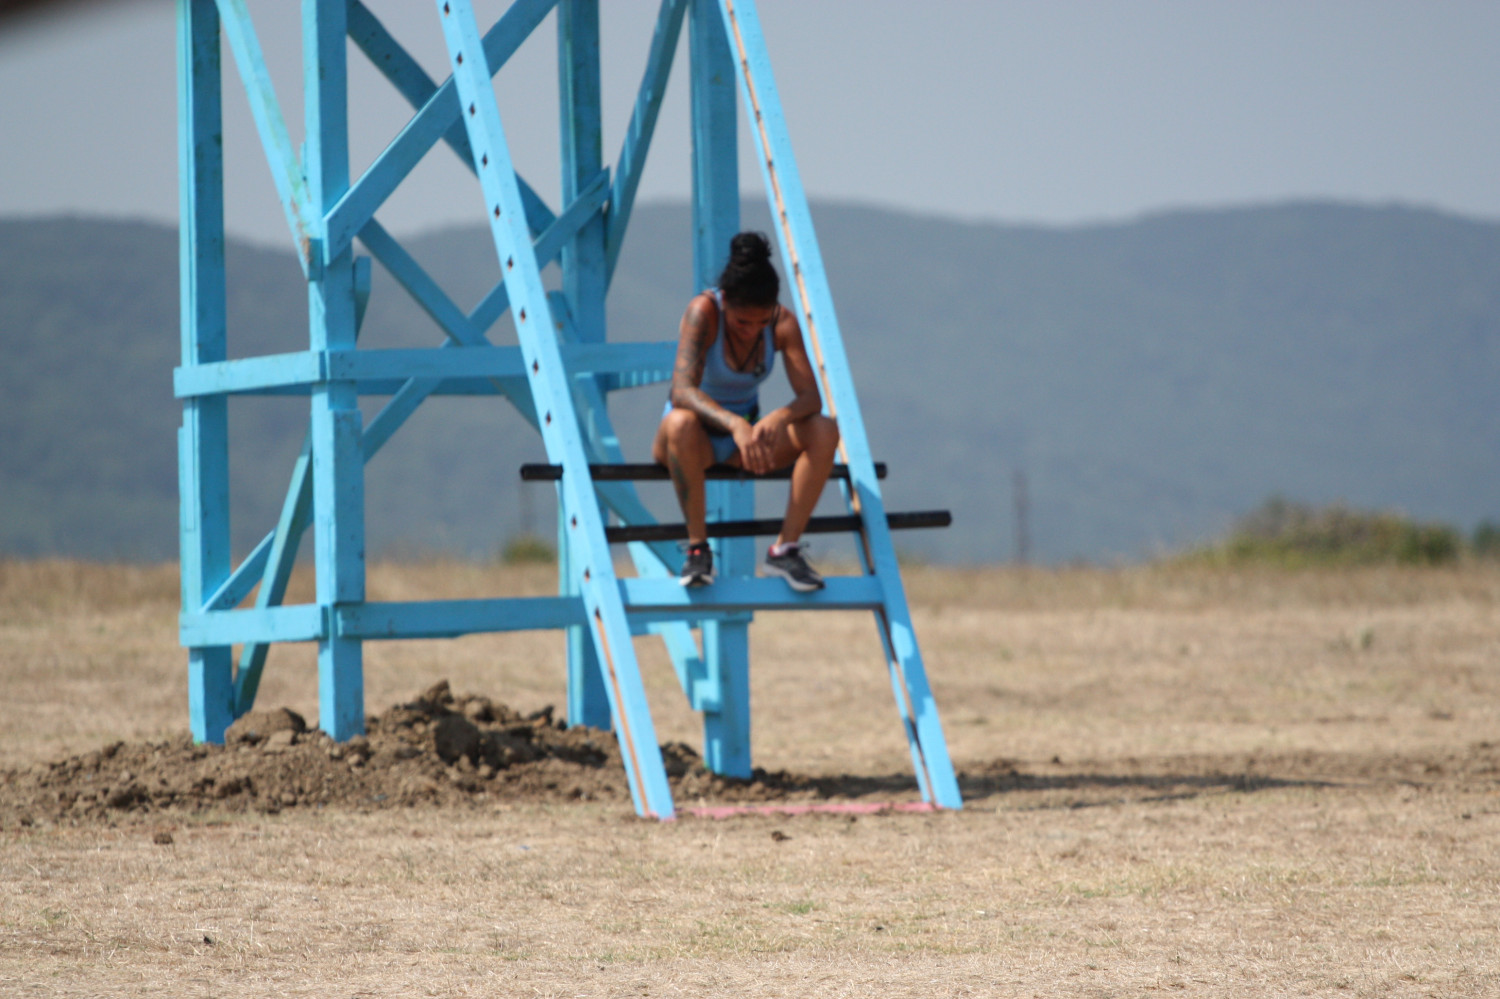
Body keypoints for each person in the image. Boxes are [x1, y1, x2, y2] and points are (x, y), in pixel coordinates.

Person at [652, 232, 839, 590]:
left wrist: (777, 418)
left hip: (746, 440)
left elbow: (811, 398)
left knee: (824, 429)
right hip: (693, 439)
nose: (752, 331)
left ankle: (785, 549)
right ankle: (697, 551)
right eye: (741, 323)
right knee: (680, 424)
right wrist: (733, 423)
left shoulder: (782, 322)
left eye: (760, 323)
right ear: (725, 305)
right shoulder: (702, 313)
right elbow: (681, 392)